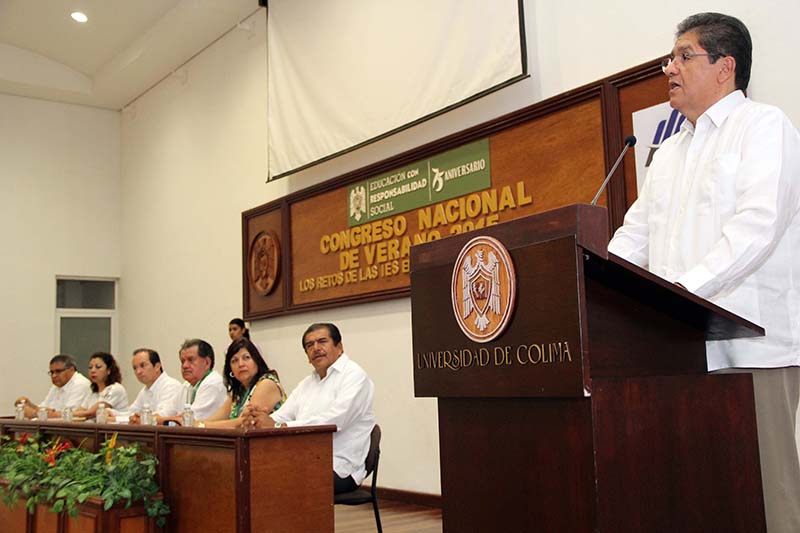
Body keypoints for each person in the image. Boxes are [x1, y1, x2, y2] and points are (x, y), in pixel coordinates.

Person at [608, 12, 800, 532]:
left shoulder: (764, 127)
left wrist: (678, 296)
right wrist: (596, 286)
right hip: (679, 354)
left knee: (767, 499)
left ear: (725, 67)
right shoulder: (669, 152)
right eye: (669, 59)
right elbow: (635, 236)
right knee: (698, 495)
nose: (669, 68)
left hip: (753, 350)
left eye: (683, 56)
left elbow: (757, 228)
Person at [242, 323, 376, 495]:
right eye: (310, 345)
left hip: (338, 466)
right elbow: (283, 415)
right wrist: (258, 419)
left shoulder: (354, 376)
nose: (316, 348)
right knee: (250, 471)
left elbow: (336, 420)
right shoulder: (307, 383)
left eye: (322, 341)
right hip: (303, 459)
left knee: (269, 477)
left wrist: (279, 426)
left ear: (339, 347)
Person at [196, 337, 285, 428]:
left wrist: (201, 425)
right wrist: (193, 423)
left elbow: (245, 423)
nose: (241, 364)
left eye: (246, 358)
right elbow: (214, 420)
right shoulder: (239, 392)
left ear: (257, 361)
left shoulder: (266, 383)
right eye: (234, 361)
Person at [158, 339, 227, 424]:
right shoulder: (186, 385)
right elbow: (167, 412)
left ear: (207, 363)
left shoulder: (213, 383)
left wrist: (159, 420)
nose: (184, 366)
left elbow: (190, 421)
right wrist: (151, 417)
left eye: (191, 360)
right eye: (182, 361)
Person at [115, 348, 183, 423]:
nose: (138, 372)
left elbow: (163, 415)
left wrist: (139, 418)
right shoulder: (145, 390)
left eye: (142, 366)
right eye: (135, 368)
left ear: (157, 367)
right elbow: (131, 413)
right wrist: (112, 414)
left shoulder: (171, 386)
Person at [14, 354, 91, 419]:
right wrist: (29, 405)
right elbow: (44, 408)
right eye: (52, 372)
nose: (54, 376)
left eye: (58, 371)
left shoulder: (80, 384)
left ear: (71, 369)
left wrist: (34, 413)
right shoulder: (56, 386)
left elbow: (67, 415)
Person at [74, 352, 129, 419]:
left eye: (98, 367)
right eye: (90, 367)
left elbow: (92, 413)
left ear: (109, 370)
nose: (93, 370)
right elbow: (80, 410)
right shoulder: (92, 391)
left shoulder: (115, 388)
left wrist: (67, 414)